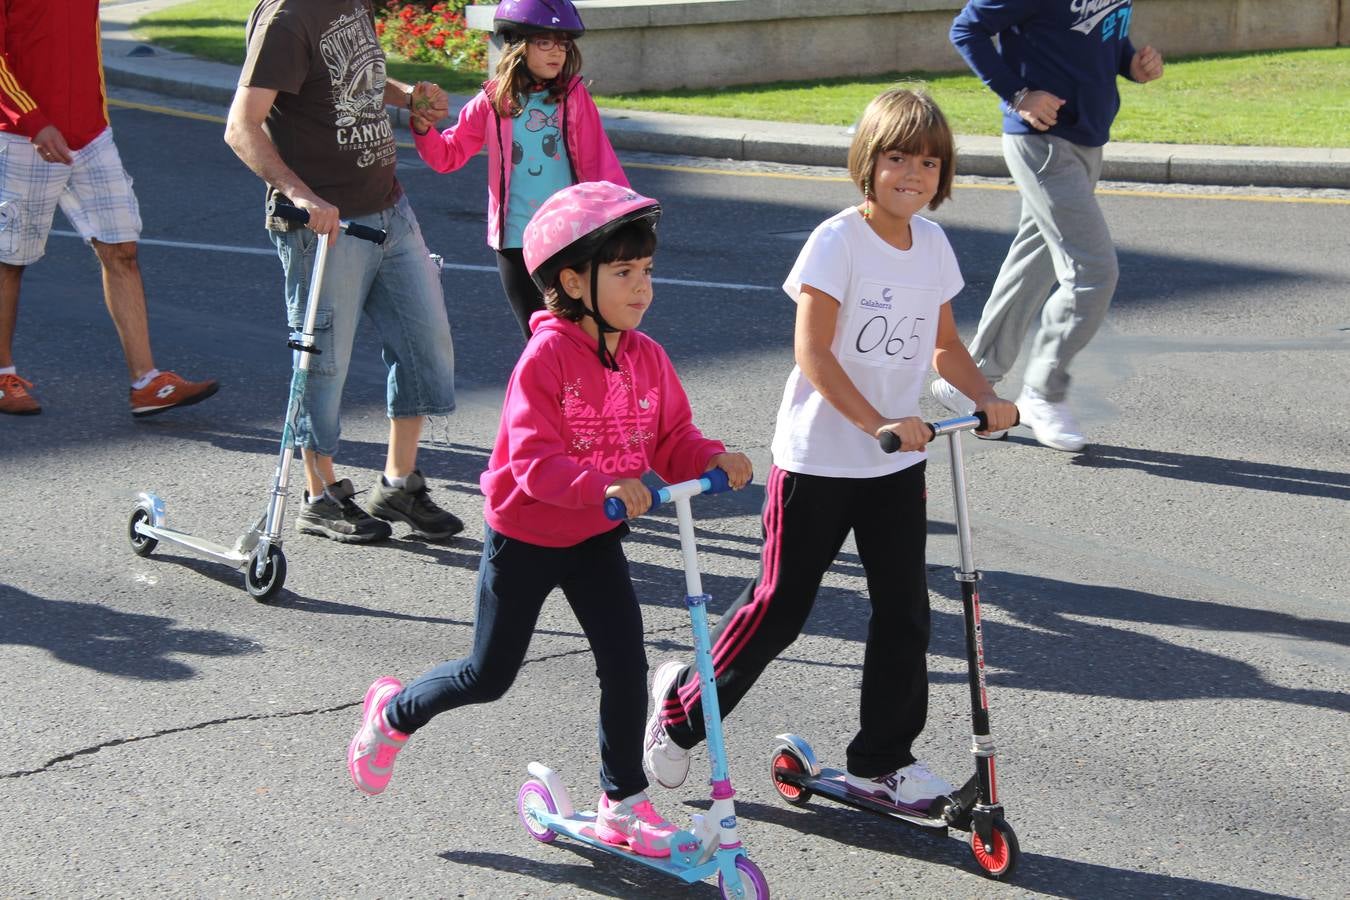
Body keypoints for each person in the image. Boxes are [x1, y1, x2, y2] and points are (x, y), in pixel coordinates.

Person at [345, 181, 753, 858]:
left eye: (646, 270)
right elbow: (534, 461)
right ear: (572, 279)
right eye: (623, 272)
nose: (641, 286)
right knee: (489, 674)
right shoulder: (546, 359)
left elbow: (672, 435)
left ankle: (622, 803)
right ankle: (392, 715)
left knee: (625, 665)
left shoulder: (646, 357)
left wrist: (712, 456)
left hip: (595, 533)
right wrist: (606, 485)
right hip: (528, 534)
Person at [641, 89, 1018, 814]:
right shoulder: (838, 240)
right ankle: (680, 712)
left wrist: (983, 398)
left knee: (905, 611)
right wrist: (878, 415)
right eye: (898, 158)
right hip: (819, 459)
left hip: (895, 461)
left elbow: (943, 345)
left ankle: (882, 759)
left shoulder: (933, 246)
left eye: (929, 161)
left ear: (944, 175)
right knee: (780, 608)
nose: (913, 173)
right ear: (869, 164)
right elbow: (813, 352)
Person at [225, 0, 463, 544]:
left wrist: (407, 97)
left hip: (390, 209)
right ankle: (321, 494)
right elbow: (241, 127)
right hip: (324, 227)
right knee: (323, 365)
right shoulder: (287, 18)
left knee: (425, 345)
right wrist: (299, 195)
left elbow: (348, 77)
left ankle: (399, 483)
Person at [935, 0, 1164, 451]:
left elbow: (1099, 34)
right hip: (1042, 145)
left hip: (1086, 140)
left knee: (1034, 263)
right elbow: (967, 30)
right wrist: (1017, 94)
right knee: (1093, 273)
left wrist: (1131, 63)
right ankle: (1044, 391)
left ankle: (970, 379)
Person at [0, 0, 219, 417]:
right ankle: (1, 375)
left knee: (122, 248)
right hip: (21, 136)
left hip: (91, 134)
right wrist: (32, 120)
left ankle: (146, 382)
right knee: (9, 260)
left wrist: (94, 117)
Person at [411, 0, 627, 339]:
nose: (557, 52)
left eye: (563, 43)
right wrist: (423, 129)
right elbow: (448, 155)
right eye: (545, 42)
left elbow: (601, 165)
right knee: (540, 339)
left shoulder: (572, 98)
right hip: (516, 242)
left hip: (569, 236)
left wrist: (623, 221)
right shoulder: (492, 101)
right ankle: (543, 393)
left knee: (580, 335)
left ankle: (578, 394)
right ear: (518, 45)